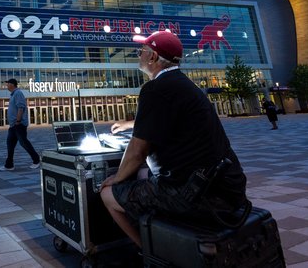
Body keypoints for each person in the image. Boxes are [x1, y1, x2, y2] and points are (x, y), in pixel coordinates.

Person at [100, 31, 247, 248]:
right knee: (143, 173)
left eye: (142, 51)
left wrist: (118, 178)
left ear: (153, 57)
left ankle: (150, 252)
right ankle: (158, 237)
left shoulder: (154, 89)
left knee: (108, 194)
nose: (138, 54)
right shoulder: (185, 85)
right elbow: (171, 117)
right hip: (226, 188)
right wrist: (131, 124)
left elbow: (137, 153)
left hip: (196, 196)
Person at [0, 78, 41, 171]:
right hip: (13, 126)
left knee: (24, 143)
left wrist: (18, 121)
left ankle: (36, 160)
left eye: (8, 83)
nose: (6, 85)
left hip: (18, 124)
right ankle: (9, 165)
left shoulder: (18, 93)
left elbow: (21, 108)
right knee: (10, 144)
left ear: (12, 84)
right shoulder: (13, 95)